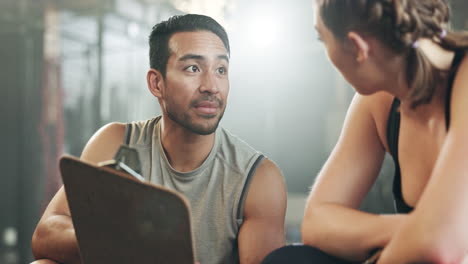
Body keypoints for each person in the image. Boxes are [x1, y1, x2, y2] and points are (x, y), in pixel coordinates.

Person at [31, 14, 287, 264]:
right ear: (156, 83)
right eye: (193, 68)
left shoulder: (258, 179)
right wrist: (127, 242)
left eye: (221, 69)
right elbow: (45, 236)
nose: (211, 85)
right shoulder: (116, 143)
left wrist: (162, 251)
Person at [263, 0, 468, 263]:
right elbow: (317, 221)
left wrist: (428, 235)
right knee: (290, 260)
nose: (325, 51)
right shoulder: (380, 100)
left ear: (358, 47)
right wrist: (417, 230)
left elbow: (437, 247)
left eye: (321, 38)